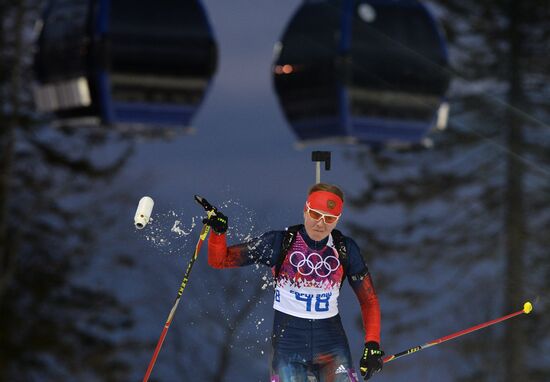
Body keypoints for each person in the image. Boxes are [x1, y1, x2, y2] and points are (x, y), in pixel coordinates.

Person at [202, 183, 383, 382]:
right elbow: (219, 260)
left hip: (332, 348)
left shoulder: (345, 249)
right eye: (315, 214)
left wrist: (372, 344)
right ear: (305, 210)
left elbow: (369, 301)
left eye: (329, 218)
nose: (321, 224)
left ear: (337, 219)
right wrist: (218, 233)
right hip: (288, 349)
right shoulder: (279, 243)